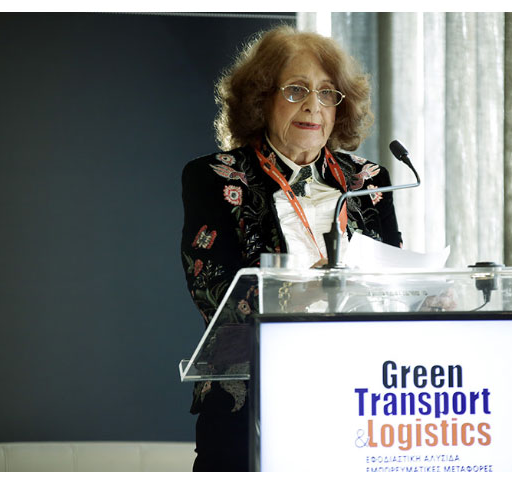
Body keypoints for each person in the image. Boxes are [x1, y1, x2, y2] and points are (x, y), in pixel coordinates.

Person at [180, 25, 402, 471]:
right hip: (251, 408)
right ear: (261, 99)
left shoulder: (369, 181)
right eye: (296, 89)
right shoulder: (215, 178)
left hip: (356, 402)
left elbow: (392, 280)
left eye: (327, 93)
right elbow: (212, 290)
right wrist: (304, 288)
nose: (313, 105)